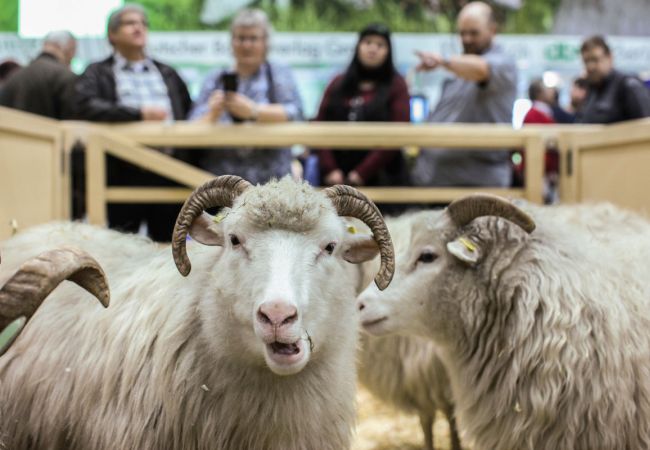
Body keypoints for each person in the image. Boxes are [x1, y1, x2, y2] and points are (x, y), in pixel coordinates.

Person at [73, 3, 192, 242]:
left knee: (170, 251)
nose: (139, 28)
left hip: (168, 172)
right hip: (121, 172)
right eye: (130, 23)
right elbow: (85, 106)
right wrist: (138, 114)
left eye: (143, 23)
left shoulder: (168, 73)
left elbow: (187, 111)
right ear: (112, 34)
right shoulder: (97, 72)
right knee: (121, 249)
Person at [188, 8, 303, 185]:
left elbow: (295, 113)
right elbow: (191, 127)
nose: (246, 45)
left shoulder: (279, 73)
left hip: (271, 183)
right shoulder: (216, 77)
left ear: (265, 42)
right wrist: (213, 114)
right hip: (220, 185)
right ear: (232, 42)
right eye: (241, 38)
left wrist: (254, 111)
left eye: (253, 38)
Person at [411, 1, 517, 188]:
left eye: (474, 33)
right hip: (437, 180)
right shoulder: (458, 69)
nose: (467, 39)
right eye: (462, 33)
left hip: (477, 183)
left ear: (492, 30)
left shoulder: (503, 63)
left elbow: (482, 70)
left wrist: (442, 61)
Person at [314, 23, 410, 188]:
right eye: (367, 42)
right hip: (335, 179)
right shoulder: (337, 83)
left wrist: (361, 173)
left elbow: (398, 134)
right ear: (358, 47)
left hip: (382, 179)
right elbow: (319, 125)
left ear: (388, 51)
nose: (372, 49)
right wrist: (330, 169)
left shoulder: (397, 85)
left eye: (380, 45)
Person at [0, 31, 77, 119]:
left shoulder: (14, 77)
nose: (73, 55)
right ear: (68, 48)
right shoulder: (66, 77)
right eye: (73, 50)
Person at [576, 35, 650, 124]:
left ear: (610, 57)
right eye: (586, 61)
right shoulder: (592, 91)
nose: (590, 66)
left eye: (595, 59)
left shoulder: (628, 87)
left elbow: (646, 128)